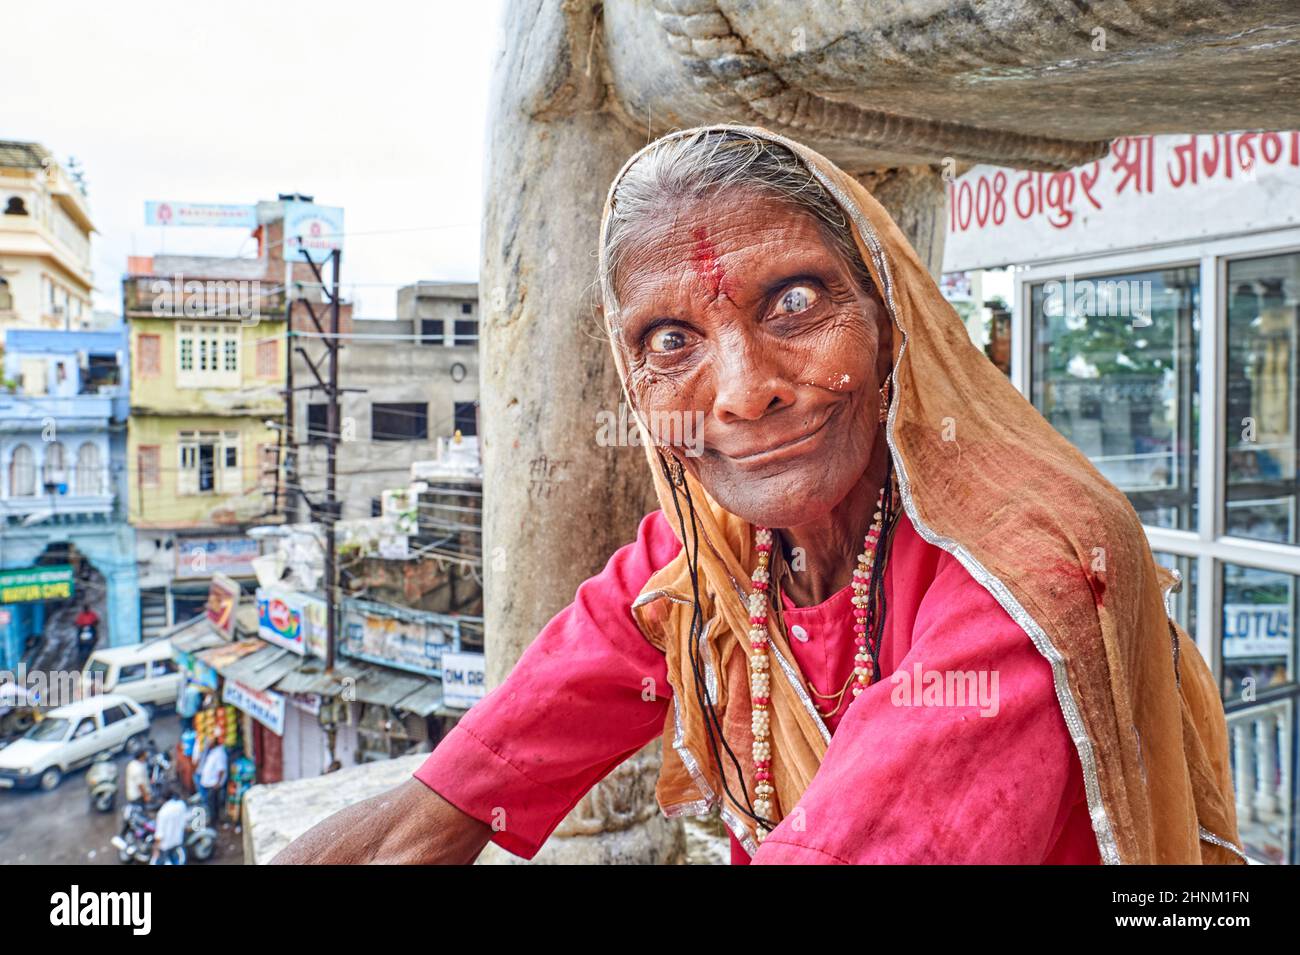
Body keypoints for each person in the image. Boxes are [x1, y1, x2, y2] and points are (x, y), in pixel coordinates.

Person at [274, 125, 1242, 866]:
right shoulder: (712, 554)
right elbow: (436, 814)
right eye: (670, 340)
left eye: (795, 301)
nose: (744, 392)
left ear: (890, 318)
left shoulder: (1025, 570)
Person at [194, 733, 227, 829]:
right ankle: (214, 821)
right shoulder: (212, 751)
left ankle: (214, 823)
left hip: (213, 784)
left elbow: (221, 770)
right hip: (208, 783)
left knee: (212, 805)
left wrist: (217, 783)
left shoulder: (219, 753)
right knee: (211, 804)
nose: (207, 742)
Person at [151, 787, 187, 866]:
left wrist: (155, 849)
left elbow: (159, 835)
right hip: (178, 841)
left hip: (165, 846)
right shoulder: (181, 805)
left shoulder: (162, 813)